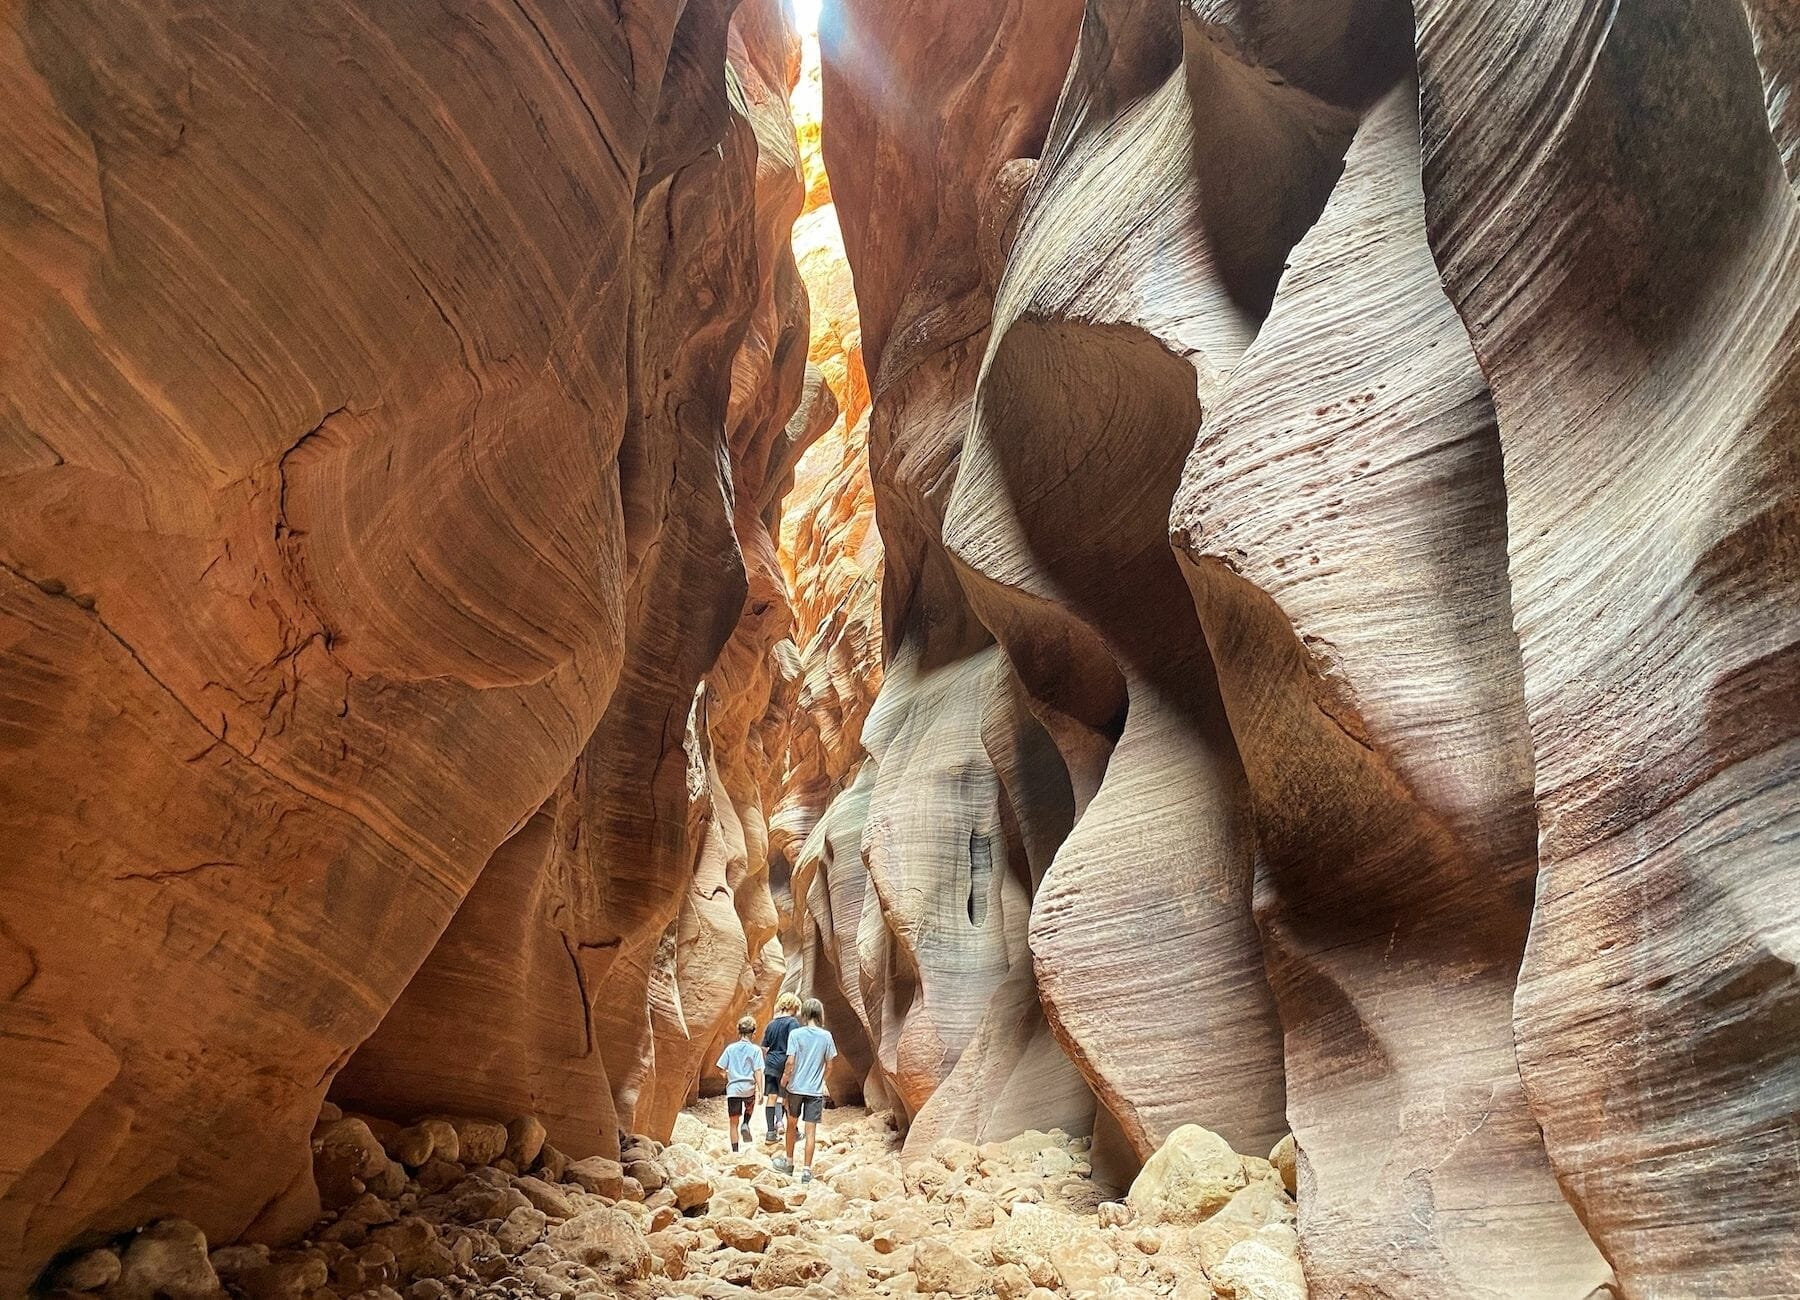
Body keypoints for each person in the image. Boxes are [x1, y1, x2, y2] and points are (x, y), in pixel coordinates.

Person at [774, 997, 837, 1181]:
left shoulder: (796, 1034)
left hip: (795, 1088)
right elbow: (830, 1065)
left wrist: (784, 1082)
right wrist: (821, 1080)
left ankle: (789, 1163)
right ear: (820, 1014)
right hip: (814, 1092)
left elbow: (790, 1062)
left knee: (791, 1125)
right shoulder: (826, 1036)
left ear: (805, 1014)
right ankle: (807, 1171)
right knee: (811, 1132)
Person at [715, 1015, 763, 1152]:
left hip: (734, 1089)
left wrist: (726, 1075)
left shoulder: (731, 1049)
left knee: (733, 1122)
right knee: (749, 1106)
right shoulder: (756, 1050)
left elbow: (721, 1068)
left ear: (738, 1031)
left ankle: (735, 1151)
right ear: (753, 1033)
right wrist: (760, 1091)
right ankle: (746, 1123)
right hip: (748, 1089)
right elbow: (758, 1071)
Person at [760, 992, 802, 1144]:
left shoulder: (770, 1024)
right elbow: (796, 1046)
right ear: (792, 1006)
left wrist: (770, 1061)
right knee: (786, 1098)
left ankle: (770, 1133)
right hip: (785, 1063)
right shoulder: (793, 1023)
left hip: (771, 1063)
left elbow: (764, 1048)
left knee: (771, 1098)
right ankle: (793, 1132)